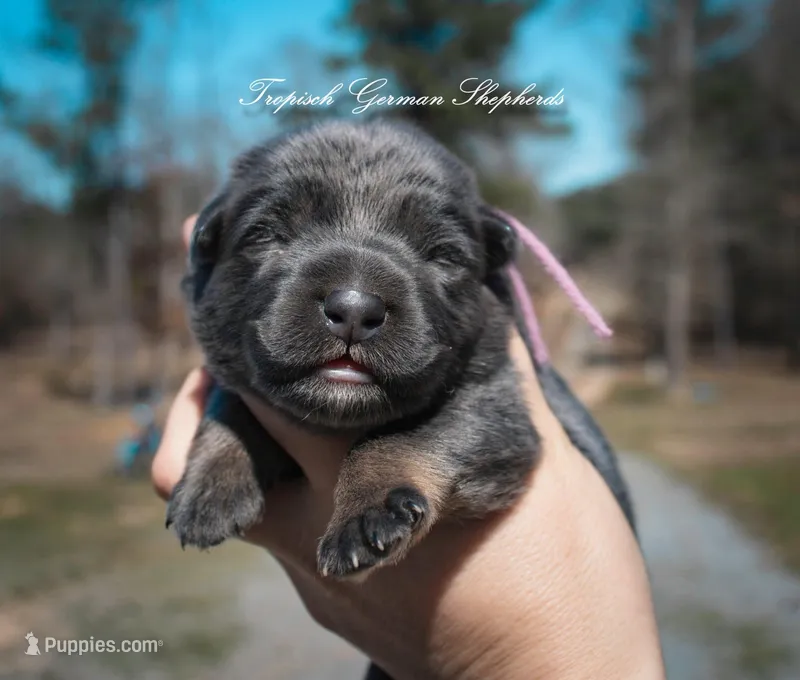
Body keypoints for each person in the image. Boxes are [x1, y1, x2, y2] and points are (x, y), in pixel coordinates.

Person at [151, 215, 666, 680]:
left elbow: (495, 418)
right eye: (273, 235)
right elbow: (244, 382)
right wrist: (230, 440)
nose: (355, 300)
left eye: (438, 253)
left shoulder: (482, 335)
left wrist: (391, 475)